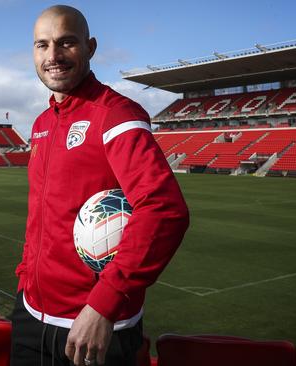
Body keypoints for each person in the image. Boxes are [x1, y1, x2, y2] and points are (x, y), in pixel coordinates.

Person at [11, 5, 190, 366]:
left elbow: (164, 209)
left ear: (90, 47)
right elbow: (42, 217)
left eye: (66, 43)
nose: (53, 56)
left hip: (90, 328)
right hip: (31, 316)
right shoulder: (42, 123)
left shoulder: (116, 115)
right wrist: (25, 280)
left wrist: (103, 305)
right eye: (42, 45)